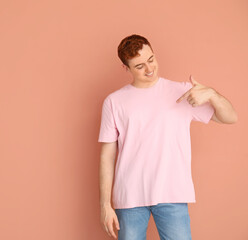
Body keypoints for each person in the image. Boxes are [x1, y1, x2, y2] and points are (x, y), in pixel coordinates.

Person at [98, 34, 238, 240]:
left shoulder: (182, 92)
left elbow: (231, 117)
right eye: (139, 66)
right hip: (129, 198)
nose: (149, 69)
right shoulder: (114, 102)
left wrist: (212, 94)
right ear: (125, 68)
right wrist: (105, 205)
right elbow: (107, 156)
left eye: (151, 59)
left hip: (172, 193)